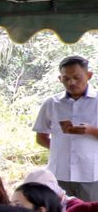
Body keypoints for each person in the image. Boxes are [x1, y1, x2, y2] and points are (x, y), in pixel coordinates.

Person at [32, 55, 98, 202]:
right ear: (60, 79)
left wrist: (91, 131)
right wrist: (59, 149)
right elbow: (41, 137)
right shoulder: (52, 103)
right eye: (66, 78)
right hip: (59, 174)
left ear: (89, 75)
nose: (72, 82)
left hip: (92, 174)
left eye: (77, 77)